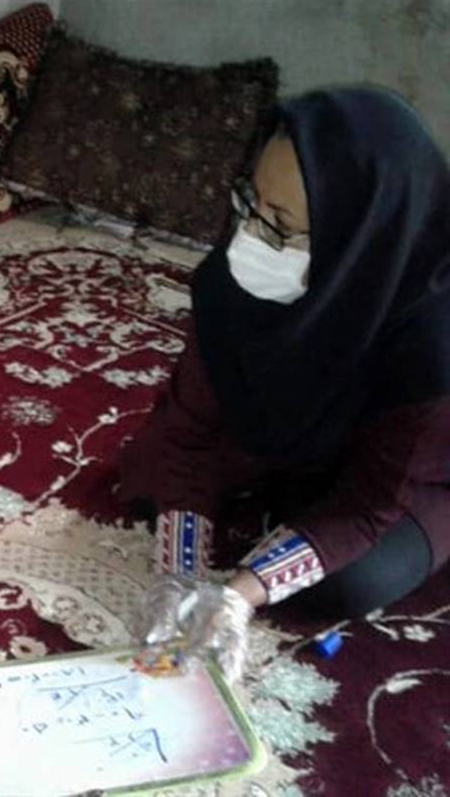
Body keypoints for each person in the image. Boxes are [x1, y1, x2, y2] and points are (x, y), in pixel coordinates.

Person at [118, 87, 449, 681]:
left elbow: (373, 501)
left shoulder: (433, 337)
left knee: (348, 583)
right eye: (251, 204)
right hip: (291, 434)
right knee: (146, 476)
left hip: (409, 474)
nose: (249, 238)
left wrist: (239, 595)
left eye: (282, 226)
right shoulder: (237, 273)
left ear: (362, 241)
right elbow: (189, 432)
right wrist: (180, 574)